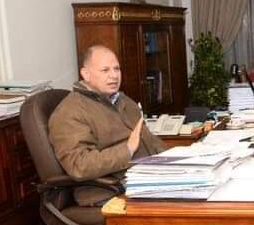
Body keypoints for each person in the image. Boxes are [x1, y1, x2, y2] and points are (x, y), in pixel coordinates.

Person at [48, 45, 166, 206]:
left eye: (117, 69)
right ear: (86, 74)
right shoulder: (69, 112)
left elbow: (150, 141)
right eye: (105, 70)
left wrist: (183, 159)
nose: (114, 75)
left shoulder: (123, 101)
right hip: (109, 191)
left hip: (146, 178)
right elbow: (79, 165)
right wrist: (127, 149)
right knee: (185, 208)